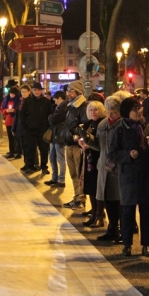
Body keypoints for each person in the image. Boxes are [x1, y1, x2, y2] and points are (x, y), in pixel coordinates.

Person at [108, 97, 149, 257]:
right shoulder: (120, 129)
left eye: (140, 108)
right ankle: (127, 244)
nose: (139, 111)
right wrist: (128, 154)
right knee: (127, 211)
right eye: (135, 109)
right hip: (128, 175)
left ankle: (146, 244)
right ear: (127, 112)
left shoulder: (148, 128)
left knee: (146, 211)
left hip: (146, 175)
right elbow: (112, 154)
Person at [95, 91, 131, 242]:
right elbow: (99, 146)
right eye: (108, 112)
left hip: (119, 169)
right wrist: (87, 140)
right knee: (108, 200)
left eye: (114, 112)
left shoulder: (125, 125)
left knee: (121, 202)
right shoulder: (102, 124)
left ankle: (124, 231)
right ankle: (112, 229)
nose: (110, 115)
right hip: (105, 168)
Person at [78, 100, 106, 227]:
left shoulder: (102, 124)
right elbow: (83, 137)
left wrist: (87, 145)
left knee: (98, 190)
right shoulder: (88, 123)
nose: (93, 112)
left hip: (98, 159)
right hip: (88, 160)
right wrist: (80, 142)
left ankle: (100, 216)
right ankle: (94, 214)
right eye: (91, 110)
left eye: (96, 109)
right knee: (90, 189)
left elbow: (99, 144)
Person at [62, 80, 89, 209]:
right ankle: (76, 196)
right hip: (69, 143)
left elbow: (84, 125)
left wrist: (76, 134)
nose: (68, 93)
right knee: (73, 173)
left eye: (70, 91)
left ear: (77, 92)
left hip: (77, 145)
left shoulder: (83, 106)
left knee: (79, 173)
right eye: (67, 91)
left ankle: (81, 199)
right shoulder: (71, 106)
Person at [20, 82, 53, 175]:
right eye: (35, 90)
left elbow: (50, 114)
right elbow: (22, 114)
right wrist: (25, 126)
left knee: (44, 148)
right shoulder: (27, 101)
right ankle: (30, 166)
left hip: (42, 129)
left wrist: (48, 126)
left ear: (41, 91)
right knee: (30, 148)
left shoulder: (46, 102)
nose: (37, 92)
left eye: (39, 90)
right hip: (29, 129)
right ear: (32, 91)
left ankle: (44, 166)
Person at [45, 90, 69, 187]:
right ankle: (54, 178)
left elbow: (54, 119)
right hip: (54, 135)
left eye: (55, 99)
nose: (54, 101)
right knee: (52, 157)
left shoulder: (64, 107)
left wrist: (51, 117)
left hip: (59, 136)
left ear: (59, 98)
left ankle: (61, 180)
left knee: (60, 158)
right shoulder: (59, 107)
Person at [1, 86, 21, 159]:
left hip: (16, 122)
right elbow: (2, 108)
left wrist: (14, 110)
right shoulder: (6, 100)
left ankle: (18, 152)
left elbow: (20, 110)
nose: (12, 95)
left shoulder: (19, 100)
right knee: (10, 138)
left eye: (13, 94)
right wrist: (6, 111)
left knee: (17, 138)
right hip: (8, 121)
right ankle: (11, 151)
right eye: (11, 94)